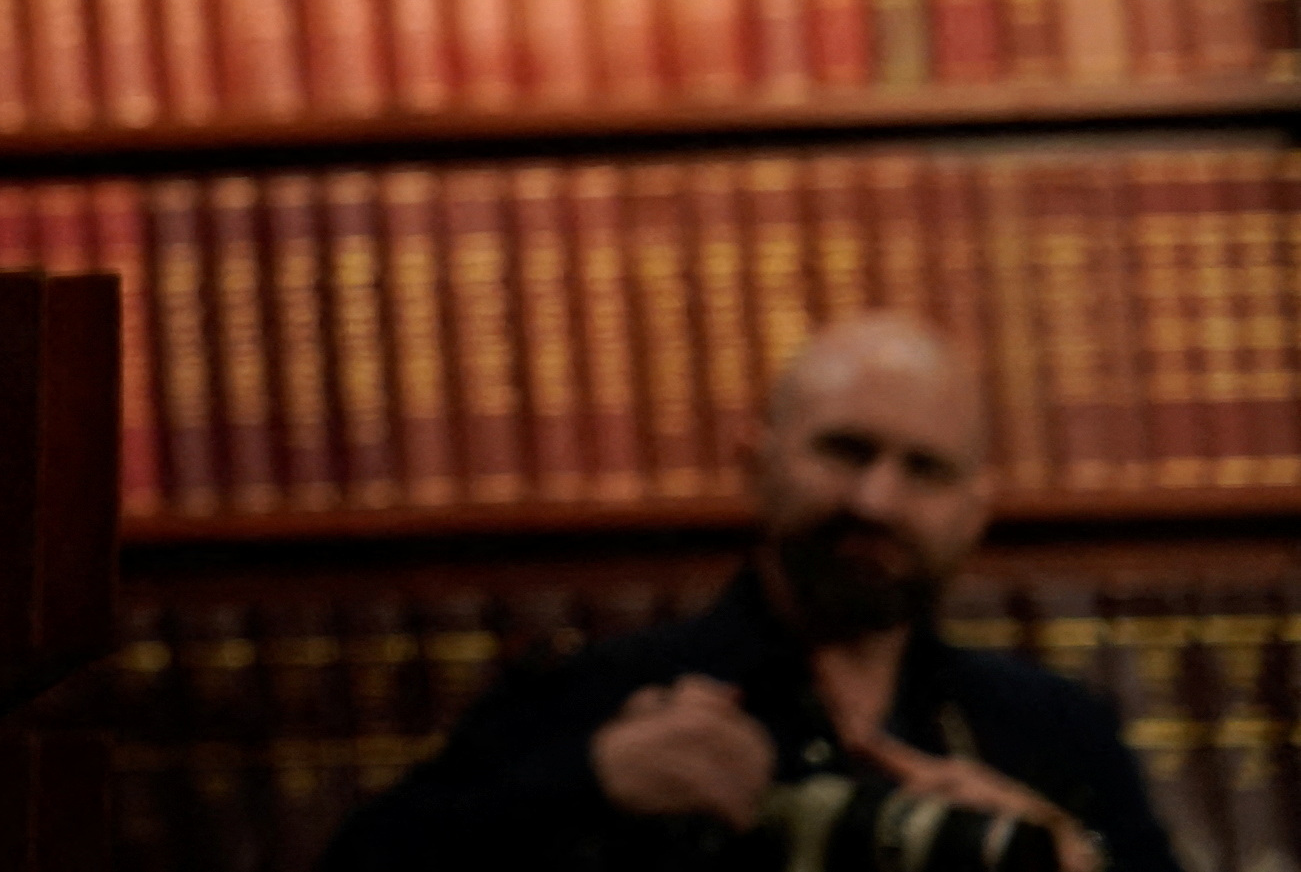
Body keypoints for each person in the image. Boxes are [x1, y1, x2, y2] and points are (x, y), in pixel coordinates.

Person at [322, 312, 1174, 872]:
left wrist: (1064, 859)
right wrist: (588, 781)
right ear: (753, 464)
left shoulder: (1052, 728)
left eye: (923, 469)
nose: (873, 500)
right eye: (843, 450)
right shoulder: (594, 694)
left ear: (972, 512)